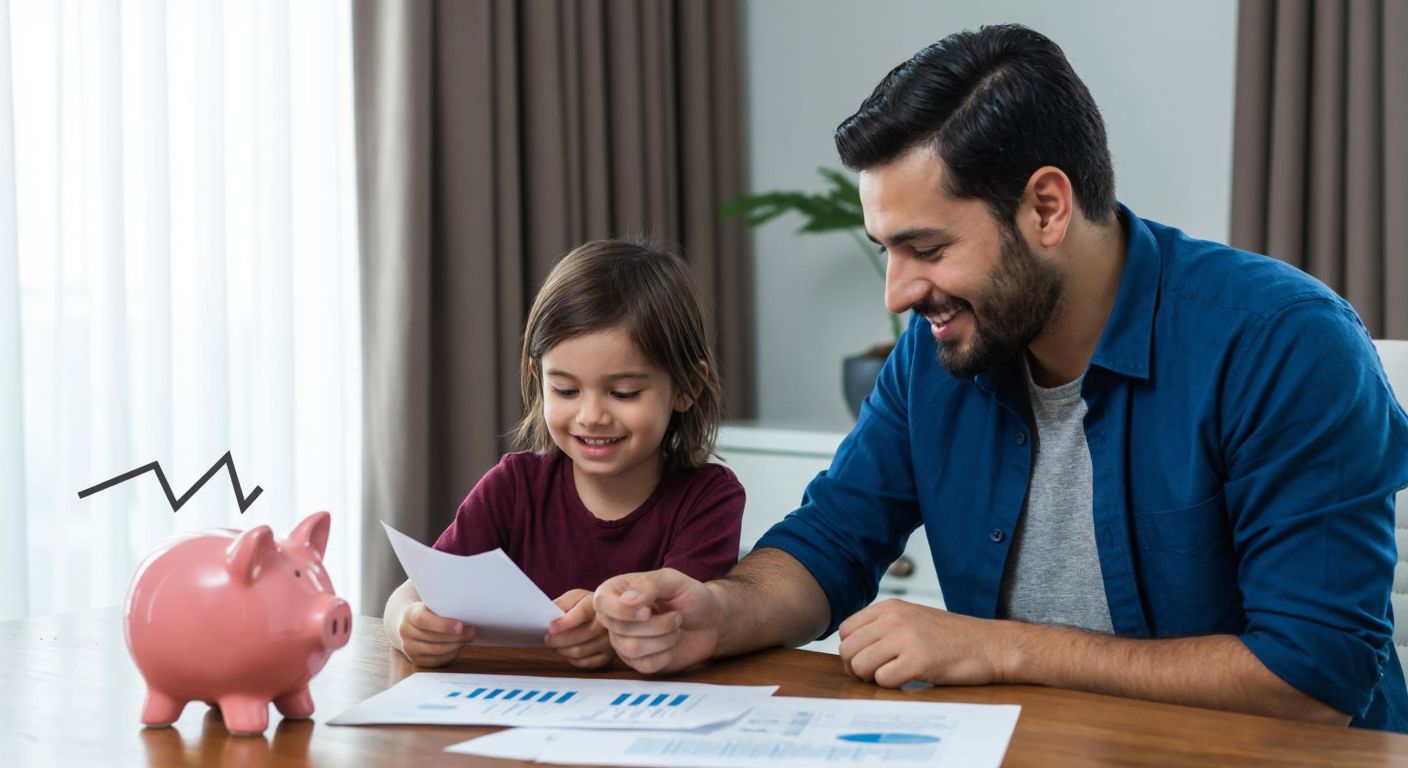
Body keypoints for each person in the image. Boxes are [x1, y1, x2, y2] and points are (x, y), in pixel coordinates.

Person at [592, 24, 1408, 731]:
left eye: (928, 249)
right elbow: (833, 540)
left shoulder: (1282, 343)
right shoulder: (940, 350)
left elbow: (1312, 682)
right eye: (888, 252)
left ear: (1046, 208)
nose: (899, 293)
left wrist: (998, 646)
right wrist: (719, 612)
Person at [384, 239, 744, 670]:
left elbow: (684, 625)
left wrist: (612, 626)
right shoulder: (513, 487)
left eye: (624, 392)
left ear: (687, 387)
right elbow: (413, 591)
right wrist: (406, 623)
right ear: (539, 379)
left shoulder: (709, 499)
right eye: (566, 391)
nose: (591, 416)